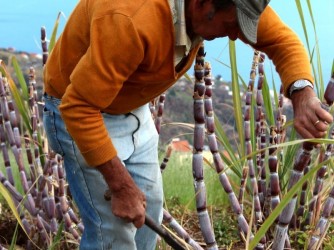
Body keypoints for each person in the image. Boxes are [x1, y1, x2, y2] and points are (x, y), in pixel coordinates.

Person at [42, 0, 333, 249]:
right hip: (80, 111)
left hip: (129, 105)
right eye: (232, 26)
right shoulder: (130, 18)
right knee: (113, 230)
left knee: (149, 209)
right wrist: (119, 186)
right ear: (202, 4)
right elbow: (79, 107)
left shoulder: (236, 2)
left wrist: (302, 93)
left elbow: (282, 40)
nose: (235, 37)